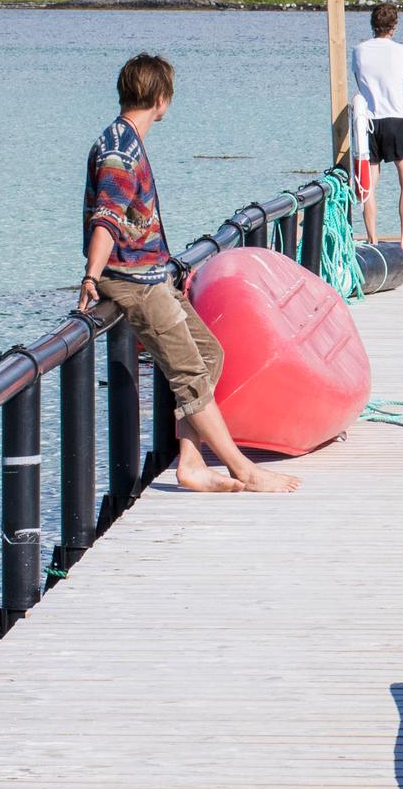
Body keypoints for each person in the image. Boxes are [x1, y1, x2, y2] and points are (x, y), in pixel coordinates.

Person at [82, 53, 297, 495]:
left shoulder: (125, 139)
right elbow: (106, 218)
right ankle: (244, 469)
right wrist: (91, 276)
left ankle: (192, 463)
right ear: (161, 99)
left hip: (151, 274)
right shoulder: (121, 151)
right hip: (132, 282)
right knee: (190, 373)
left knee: (209, 354)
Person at [351, 0, 403, 251]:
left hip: (368, 121)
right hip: (397, 119)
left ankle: (372, 238)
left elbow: (360, 82)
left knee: (368, 184)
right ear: (394, 26)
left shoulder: (358, 50)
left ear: (373, 24)